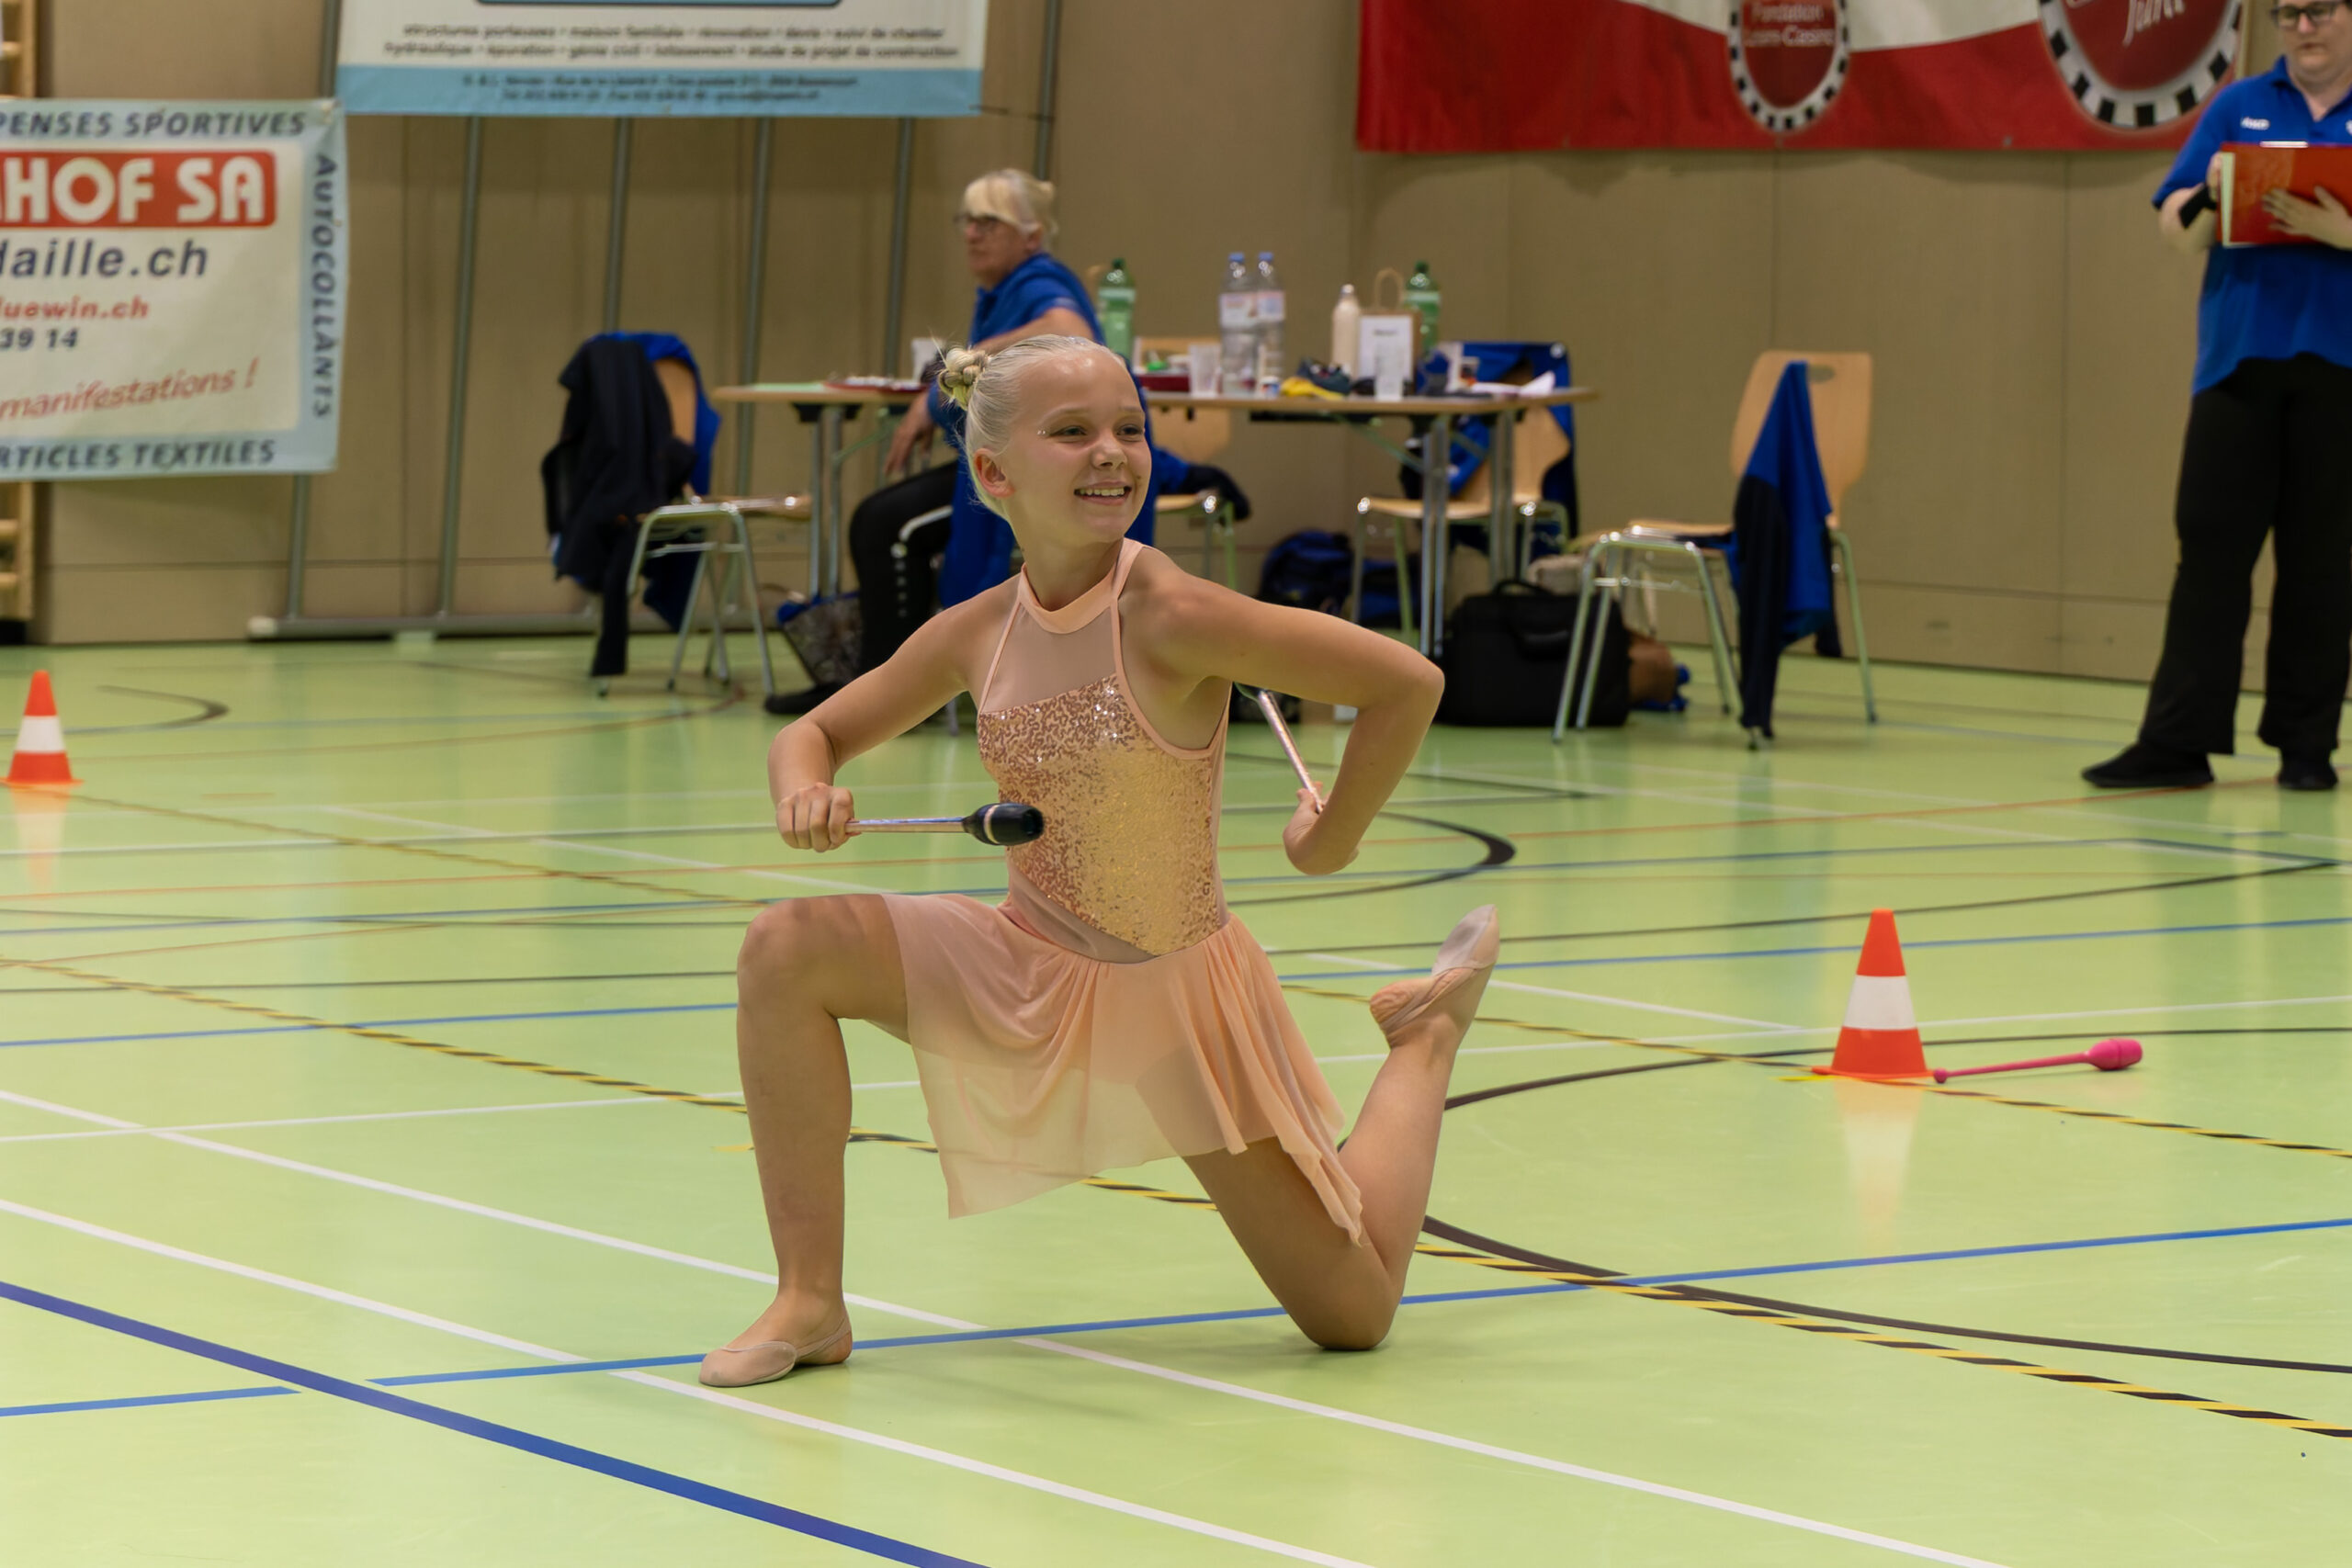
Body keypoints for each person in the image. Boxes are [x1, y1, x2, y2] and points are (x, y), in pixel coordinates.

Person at [702, 336, 1487, 1387]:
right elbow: (813, 734)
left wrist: (1331, 839)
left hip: (1170, 1000)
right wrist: (804, 789)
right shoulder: (977, 631)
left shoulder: (1172, 614)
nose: (1110, 451)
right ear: (994, 474)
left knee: (1352, 1313)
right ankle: (809, 1301)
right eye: (1071, 432)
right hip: (1023, 966)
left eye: (1128, 428)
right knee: (783, 949)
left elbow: (1406, 683)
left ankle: (1423, 1041)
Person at [766, 169, 1247, 714]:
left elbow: (1070, 328)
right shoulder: (998, 296)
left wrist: (953, 376)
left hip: (1046, 471)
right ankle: (876, 685)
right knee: (880, 516)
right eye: (968, 221)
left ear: (1032, 236)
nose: (973, 233)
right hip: (1018, 459)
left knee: (888, 524)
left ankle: (886, 687)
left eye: (989, 222)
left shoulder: (1040, 283)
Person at [2084, 6, 2352, 792]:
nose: (2304, 27)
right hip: (2239, 363)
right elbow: (2177, 229)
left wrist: (2340, 231)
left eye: (2321, 10)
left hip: (2340, 366)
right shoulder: (2238, 105)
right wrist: (2208, 194)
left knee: (2320, 561)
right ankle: (2178, 742)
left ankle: (2307, 746)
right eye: (2289, 13)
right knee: (2208, 553)